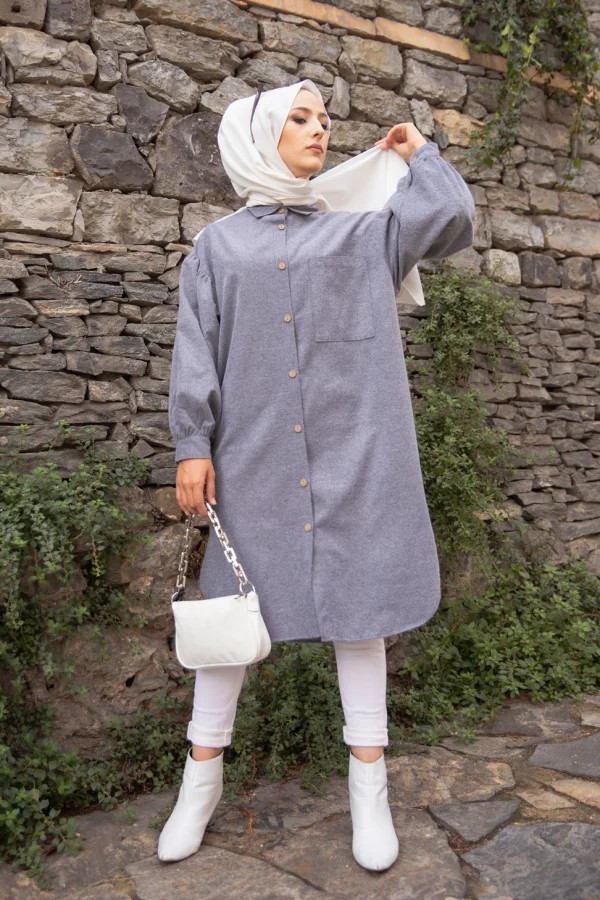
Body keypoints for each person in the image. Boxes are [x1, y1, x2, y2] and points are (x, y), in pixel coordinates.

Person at [159, 79, 475, 871]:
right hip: (252, 461)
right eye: (299, 117)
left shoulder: (361, 235)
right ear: (257, 136)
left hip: (353, 458)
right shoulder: (217, 248)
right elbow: (196, 347)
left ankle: (370, 791)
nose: (320, 129)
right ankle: (198, 785)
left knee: (360, 614)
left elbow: (448, 218)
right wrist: (192, 443)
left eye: (324, 119)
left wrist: (419, 151)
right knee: (228, 623)